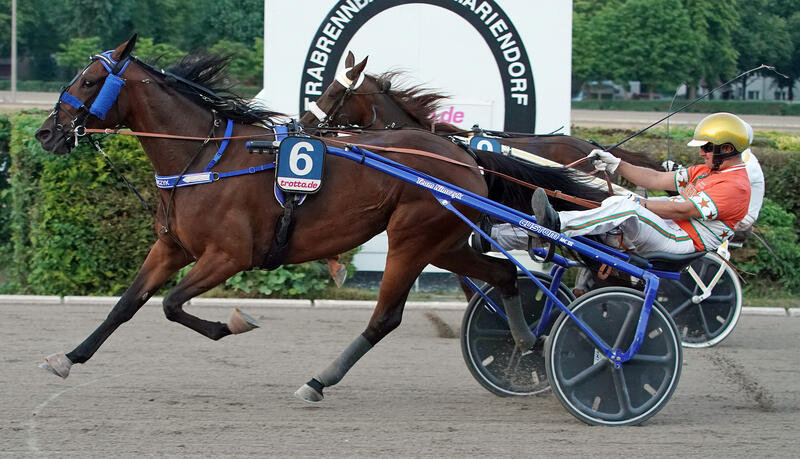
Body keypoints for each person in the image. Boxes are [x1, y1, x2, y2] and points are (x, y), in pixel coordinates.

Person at [489, 112, 753, 259]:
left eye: (707, 148)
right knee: (610, 205)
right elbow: (655, 179)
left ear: (727, 148)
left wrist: (642, 204)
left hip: (683, 241)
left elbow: (683, 211)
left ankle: (556, 223)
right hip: (669, 229)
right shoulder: (705, 170)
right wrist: (616, 163)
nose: (702, 153)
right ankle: (497, 236)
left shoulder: (735, 186)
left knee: (625, 207)